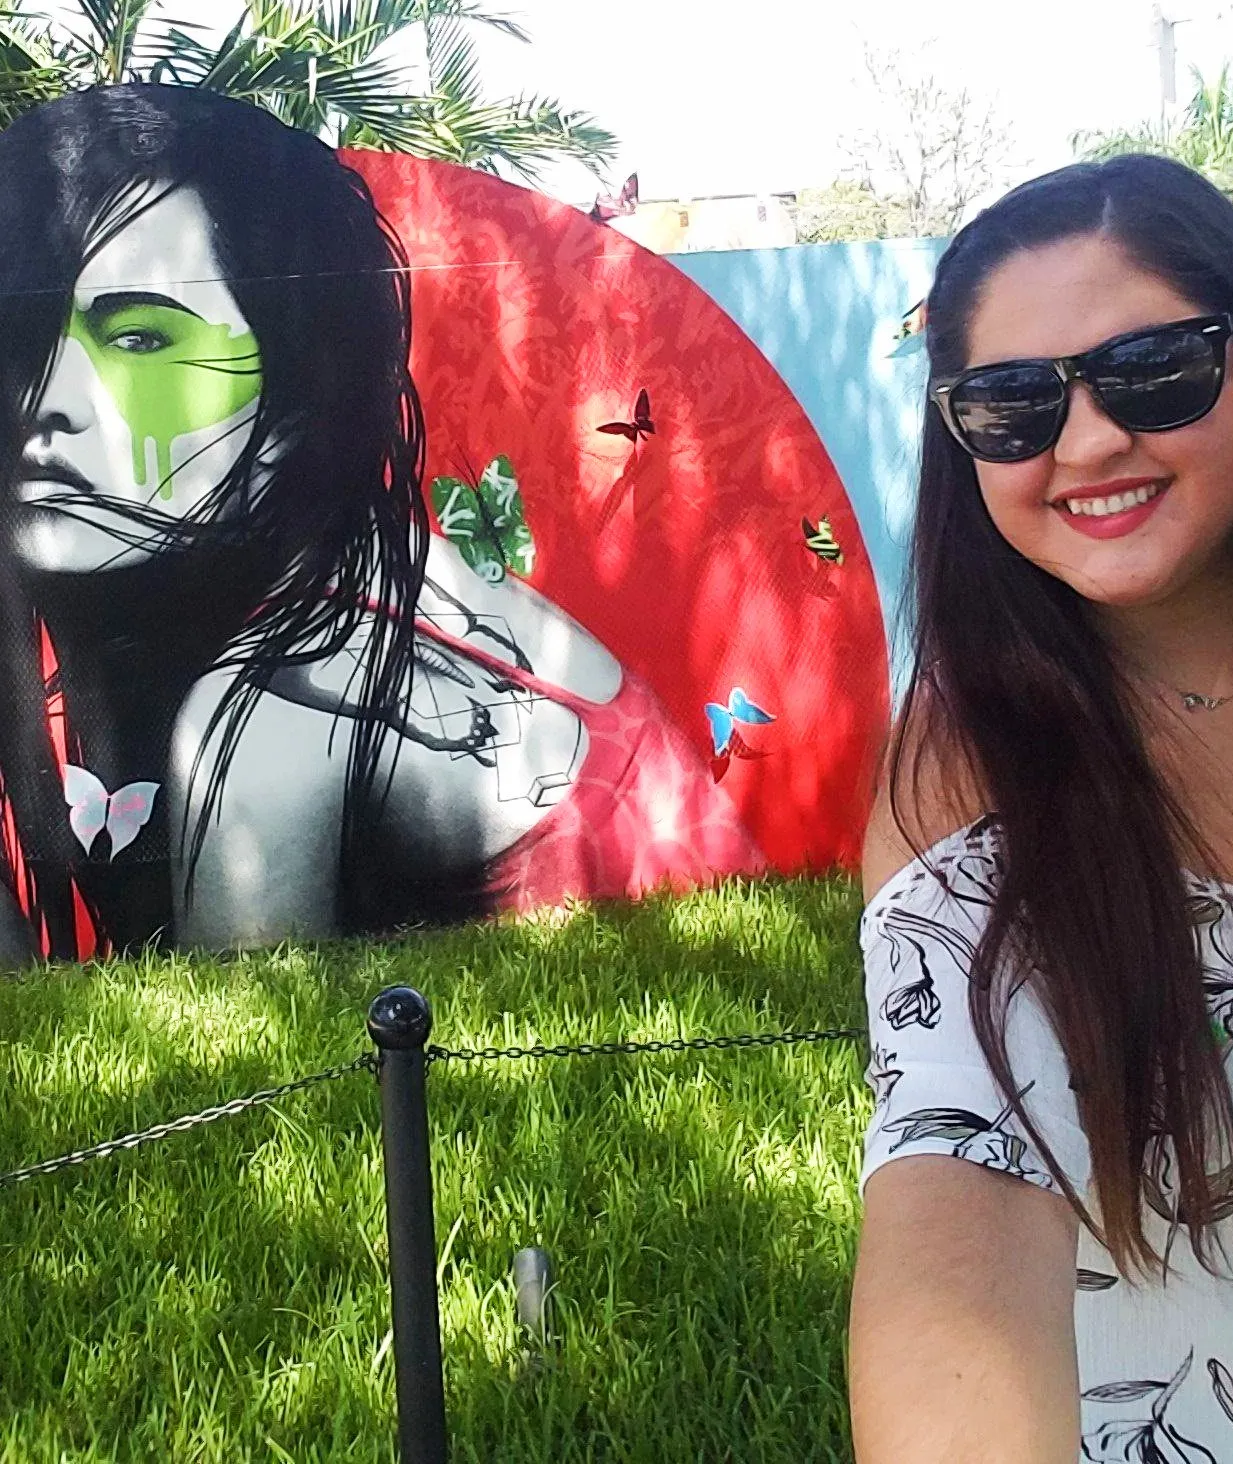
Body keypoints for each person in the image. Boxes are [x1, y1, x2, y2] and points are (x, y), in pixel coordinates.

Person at [0, 84, 760, 962]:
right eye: (22, 334)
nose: (44, 405)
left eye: (140, 338)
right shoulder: (403, 571)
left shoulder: (271, 716)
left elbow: (239, 1065)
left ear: (294, 402)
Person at [849, 155, 1233, 1461]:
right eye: (1010, 407)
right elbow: (960, 1183)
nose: (1089, 440)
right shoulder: (966, 771)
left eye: (1153, 370)